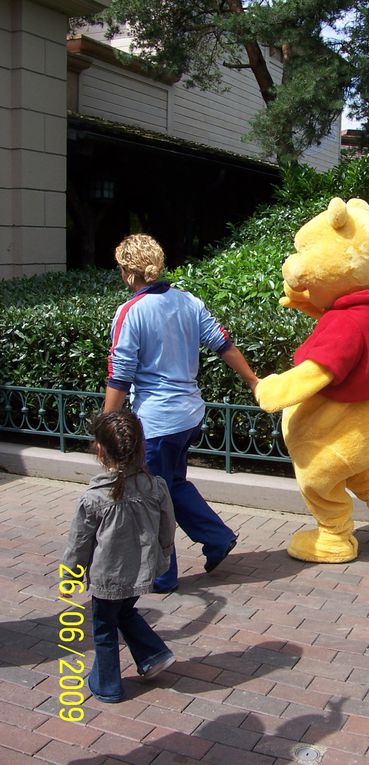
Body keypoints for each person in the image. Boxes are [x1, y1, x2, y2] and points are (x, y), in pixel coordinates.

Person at [104, 233, 259, 592]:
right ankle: (217, 537)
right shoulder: (188, 301)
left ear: (129, 273)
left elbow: (120, 374)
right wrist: (253, 380)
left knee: (151, 497)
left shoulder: (130, 311)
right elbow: (223, 343)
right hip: (189, 417)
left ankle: (163, 574)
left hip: (156, 423)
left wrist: (106, 427)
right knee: (171, 485)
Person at [61, 411, 177, 703]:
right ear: (141, 447)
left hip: (108, 578)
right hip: (143, 572)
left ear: (99, 450)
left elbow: (79, 545)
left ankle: (107, 685)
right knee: (124, 612)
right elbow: (168, 527)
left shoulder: (94, 498)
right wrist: (162, 559)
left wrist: (69, 577)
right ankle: (153, 654)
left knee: (103, 628)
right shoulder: (156, 486)